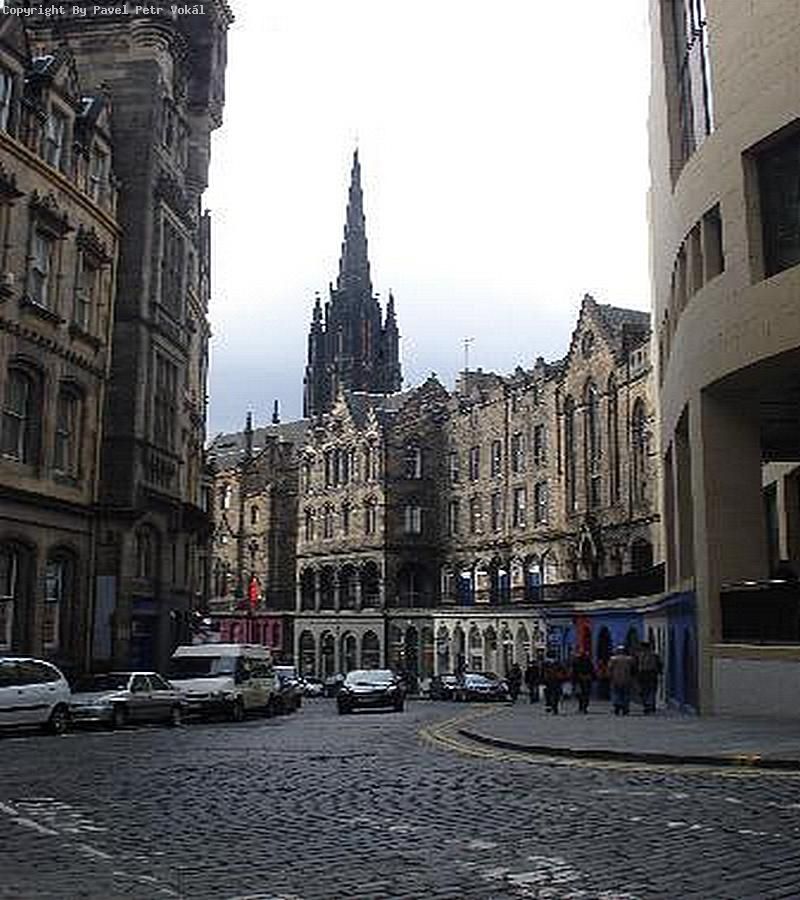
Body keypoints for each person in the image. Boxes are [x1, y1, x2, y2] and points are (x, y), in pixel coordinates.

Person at [607, 645, 635, 715]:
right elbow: (633, 669)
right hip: (627, 679)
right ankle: (625, 707)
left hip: (615, 679)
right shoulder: (629, 659)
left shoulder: (613, 659)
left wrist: (609, 676)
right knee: (626, 694)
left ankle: (617, 705)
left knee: (616, 693)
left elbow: (610, 668)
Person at [636, 641, 663, 714]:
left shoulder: (639, 655)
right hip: (652, 674)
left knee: (644, 690)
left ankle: (647, 704)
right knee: (651, 690)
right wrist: (660, 672)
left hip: (643, 674)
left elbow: (636, 665)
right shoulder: (655, 655)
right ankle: (650, 704)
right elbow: (659, 665)